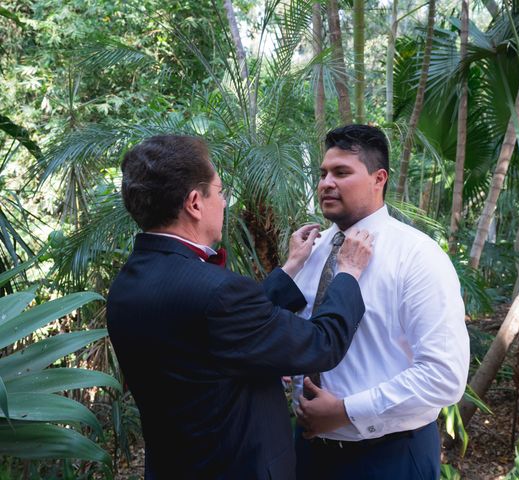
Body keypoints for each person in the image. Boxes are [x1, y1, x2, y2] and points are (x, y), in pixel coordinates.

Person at [106, 134, 374, 480]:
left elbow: (215, 328)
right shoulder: (216, 293)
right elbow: (321, 343)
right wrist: (349, 272)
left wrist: (290, 268)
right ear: (194, 203)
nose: (223, 202)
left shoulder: (126, 285)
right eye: (219, 192)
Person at [292, 124, 470, 480]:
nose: (326, 182)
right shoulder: (310, 252)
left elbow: (444, 375)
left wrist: (346, 410)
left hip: (389, 457)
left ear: (379, 179)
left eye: (342, 172)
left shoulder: (418, 256)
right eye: (324, 172)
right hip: (306, 453)